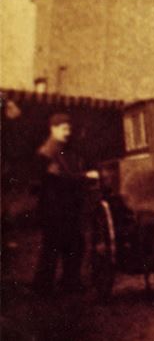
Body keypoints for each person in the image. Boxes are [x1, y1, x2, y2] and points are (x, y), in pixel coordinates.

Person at [33, 113, 98, 294]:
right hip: (53, 207)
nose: (67, 132)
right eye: (63, 129)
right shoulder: (46, 152)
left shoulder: (66, 149)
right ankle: (43, 287)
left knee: (75, 244)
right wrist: (85, 176)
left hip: (68, 206)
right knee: (52, 247)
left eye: (69, 129)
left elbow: (72, 169)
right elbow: (58, 178)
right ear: (53, 129)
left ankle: (70, 282)